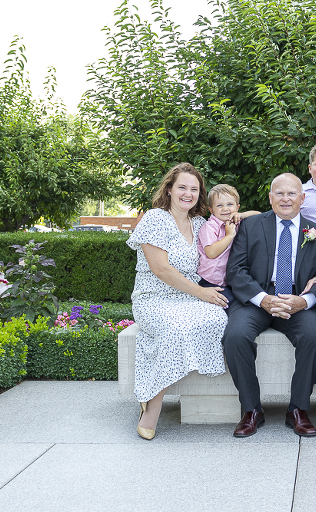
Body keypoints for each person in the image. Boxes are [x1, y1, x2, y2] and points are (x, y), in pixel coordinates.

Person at [223, 173, 316, 438]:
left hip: (297, 300)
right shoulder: (250, 227)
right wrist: (263, 299)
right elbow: (235, 271)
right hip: (257, 299)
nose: (286, 199)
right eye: (279, 194)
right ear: (270, 198)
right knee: (235, 336)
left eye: (292, 193)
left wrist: (304, 301)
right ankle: (251, 410)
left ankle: (298, 409)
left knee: (314, 335)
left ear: (302, 198)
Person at [126, 163, 229, 440]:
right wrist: (203, 293)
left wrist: (239, 213)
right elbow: (161, 269)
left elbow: (238, 216)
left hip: (188, 297)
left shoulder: (199, 224)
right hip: (154, 297)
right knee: (173, 329)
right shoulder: (155, 219)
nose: (188, 193)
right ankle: (151, 406)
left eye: (194, 189)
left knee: (218, 317)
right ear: (169, 189)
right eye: (182, 187)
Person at [196, 184, 260, 305]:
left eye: (230, 204)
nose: (225, 209)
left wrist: (242, 215)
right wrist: (229, 236)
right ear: (211, 210)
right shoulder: (209, 227)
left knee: (246, 300)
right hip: (210, 280)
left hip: (229, 279)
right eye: (219, 205)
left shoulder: (237, 221)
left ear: (237, 207)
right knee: (230, 303)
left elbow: (260, 216)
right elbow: (211, 253)